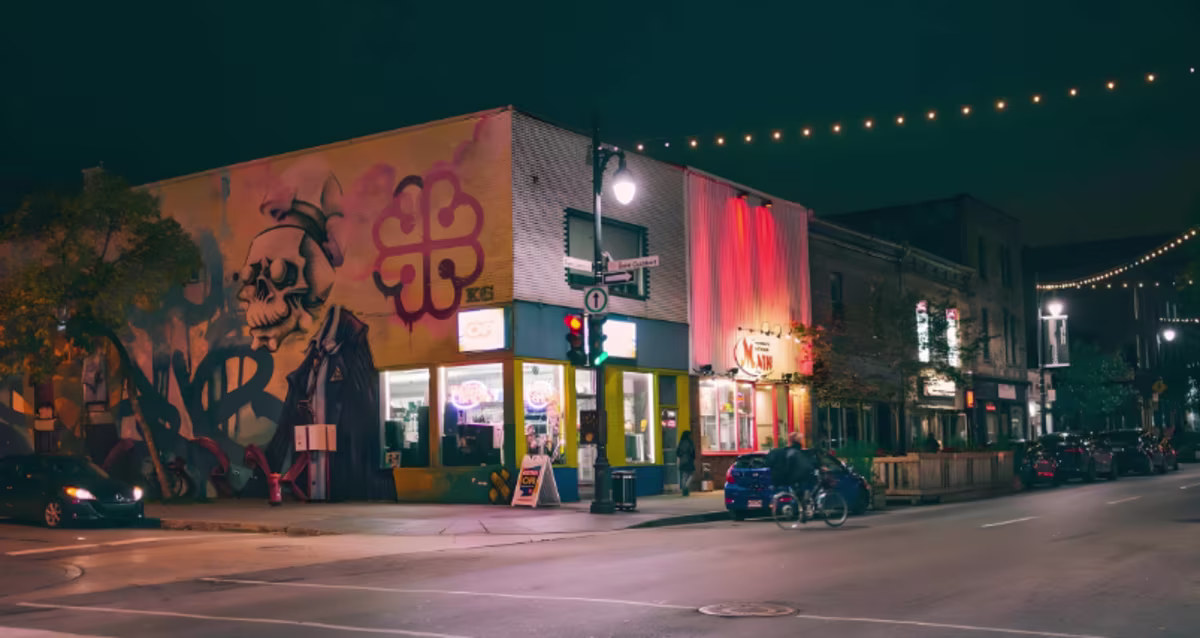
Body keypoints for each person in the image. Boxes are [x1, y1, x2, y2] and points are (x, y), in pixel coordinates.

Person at [767, 432, 819, 517]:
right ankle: (805, 509)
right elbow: (805, 464)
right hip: (798, 476)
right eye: (801, 439)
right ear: (798, 440)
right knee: (806, 488)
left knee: (800, 492)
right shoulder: (797, 451)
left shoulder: (789, 451)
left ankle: (803, 509)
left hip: (791, 476)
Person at [676, 430, 696, 496]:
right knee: (691, 475)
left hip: (682, 461)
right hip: (689, 460)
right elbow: (692, 452)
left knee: (684, 476)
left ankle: (684, 489)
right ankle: (686, 487)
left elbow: (678, 453)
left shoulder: (681, 443)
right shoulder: (690, 442)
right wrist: (693, 458)